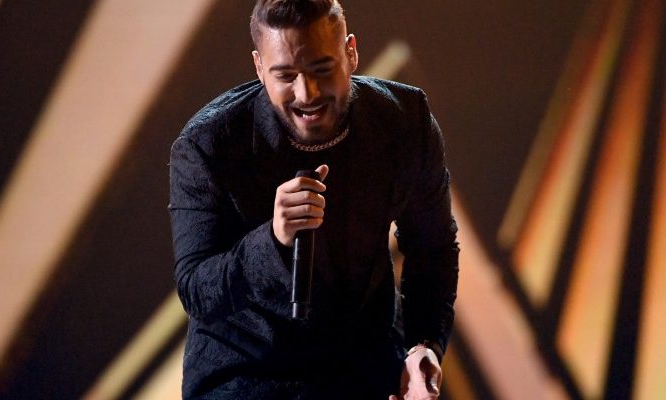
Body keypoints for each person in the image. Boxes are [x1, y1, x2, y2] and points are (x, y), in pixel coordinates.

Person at [168, 0, 459, 398]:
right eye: (285, 76)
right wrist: (271, 240)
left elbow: (433, 249)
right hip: (249, 372)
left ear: (351, 52)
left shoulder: (404, 120)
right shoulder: (209, 146)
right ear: (258, 68)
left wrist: (424, 345)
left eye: (322, 69)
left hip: (363, 364)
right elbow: (196, 290)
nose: (307, 93)